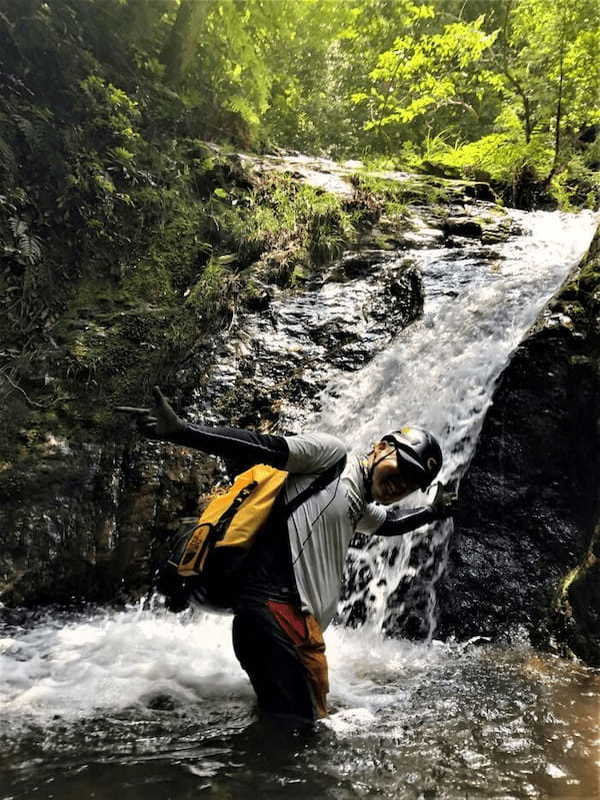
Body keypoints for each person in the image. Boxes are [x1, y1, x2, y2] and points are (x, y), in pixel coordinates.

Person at [117, 387, 456, 725]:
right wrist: (182, 431)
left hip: (287, 628)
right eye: (404, 467)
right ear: (382, 447)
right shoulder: (333, 458)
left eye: (415, 482)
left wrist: (432, 512)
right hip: (279, 617)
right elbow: (262, 446)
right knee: (298, 739)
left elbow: (389, 524)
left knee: (291, 730)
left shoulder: (356, 503)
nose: (404, 483)